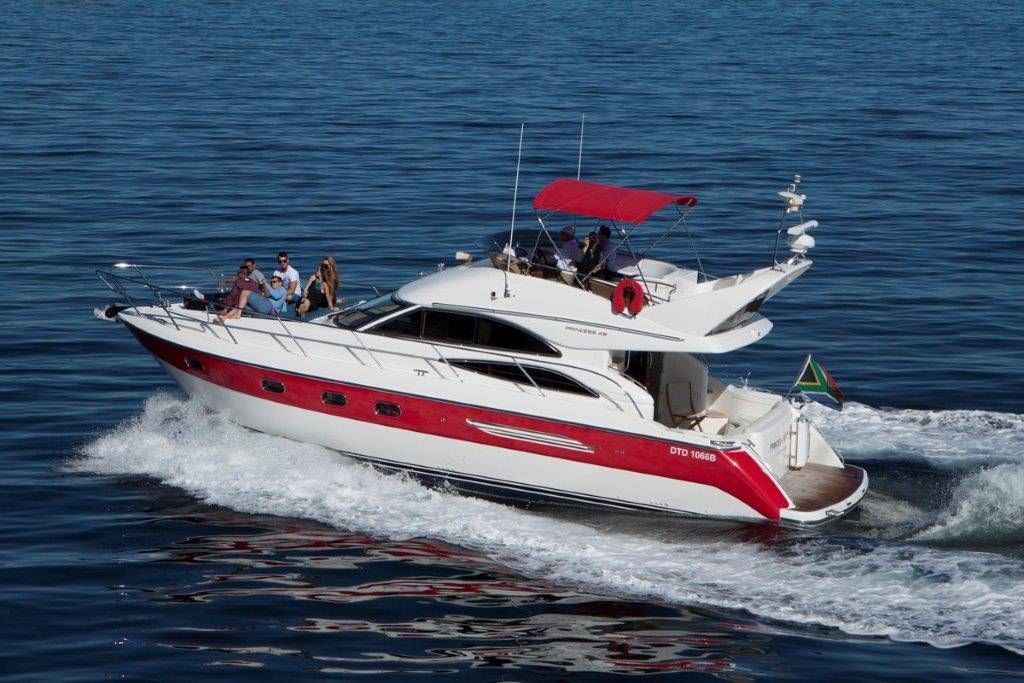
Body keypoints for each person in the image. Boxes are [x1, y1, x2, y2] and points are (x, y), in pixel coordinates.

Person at [219, 275, 287, 321]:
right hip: (264, 310)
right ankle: (227, 316)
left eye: (274, 282)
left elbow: (276, 296)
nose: (272, 283)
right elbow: (265, 295)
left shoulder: (282, 289)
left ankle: (237, 315)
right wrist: (262, 286)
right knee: (242, 303)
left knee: (245, 292)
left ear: (280, 283)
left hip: (270, 309)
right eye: (271, 282)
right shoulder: (272, 289)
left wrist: (266, 284)